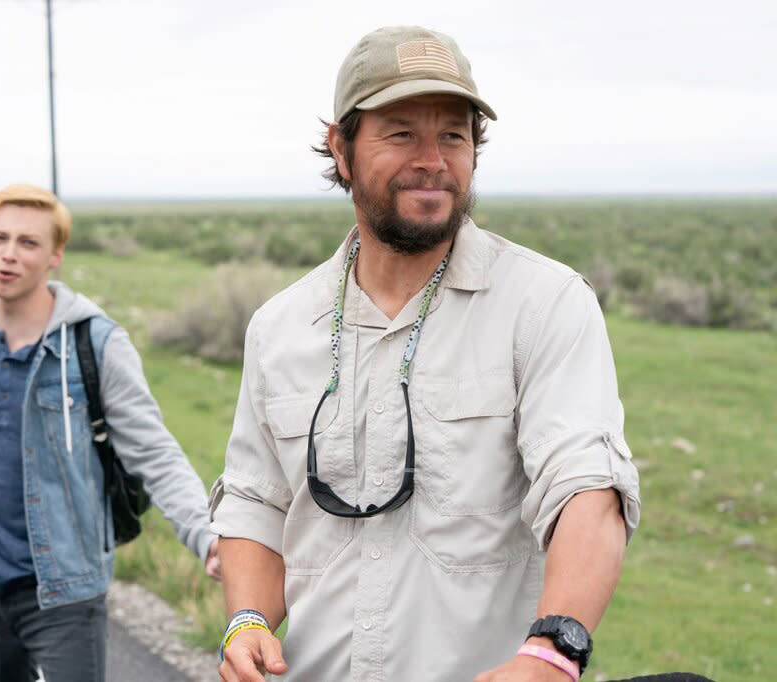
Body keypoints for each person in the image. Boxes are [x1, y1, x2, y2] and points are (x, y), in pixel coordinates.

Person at [210, 26, 641, 682]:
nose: (433, 159)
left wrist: (553, 651)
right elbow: (256, 502)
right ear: (342, 148)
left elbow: (587, 488)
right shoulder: (280, 327)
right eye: (402, 132)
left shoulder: (543, 304)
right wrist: (247, 623)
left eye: (453, 134)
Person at [0, 183, 221, 682]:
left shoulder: (98, 345)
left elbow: (154, 453)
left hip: (66, 588)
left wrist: (205, 535)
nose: (9, 255)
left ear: (55, 255)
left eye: (28, 243)